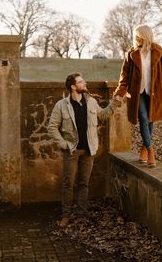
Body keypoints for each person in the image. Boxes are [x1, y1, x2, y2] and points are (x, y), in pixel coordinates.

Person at [48, 72, 118, 228]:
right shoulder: (61, 105)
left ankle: (81, 215)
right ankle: (66, 215)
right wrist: (64, 144)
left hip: (89, 150)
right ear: (73, 86)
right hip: (71, 151)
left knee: (84, 183)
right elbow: (52, 128)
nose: (84, 83)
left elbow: (104, 116)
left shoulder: (91, 102)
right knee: (68, 184)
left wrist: (116, 102)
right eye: (81, 82)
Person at [114, 25, 162, 167]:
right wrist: (120, 92)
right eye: (135, 36)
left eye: (139, 36)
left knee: (150, 120)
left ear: (145, 36)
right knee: (144, 118)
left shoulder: (157, 51)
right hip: (137, 94)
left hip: (154, 93)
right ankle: (151, 151)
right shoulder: (131, 54)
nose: (136, 38)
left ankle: (144, 148)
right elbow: (124, 76)